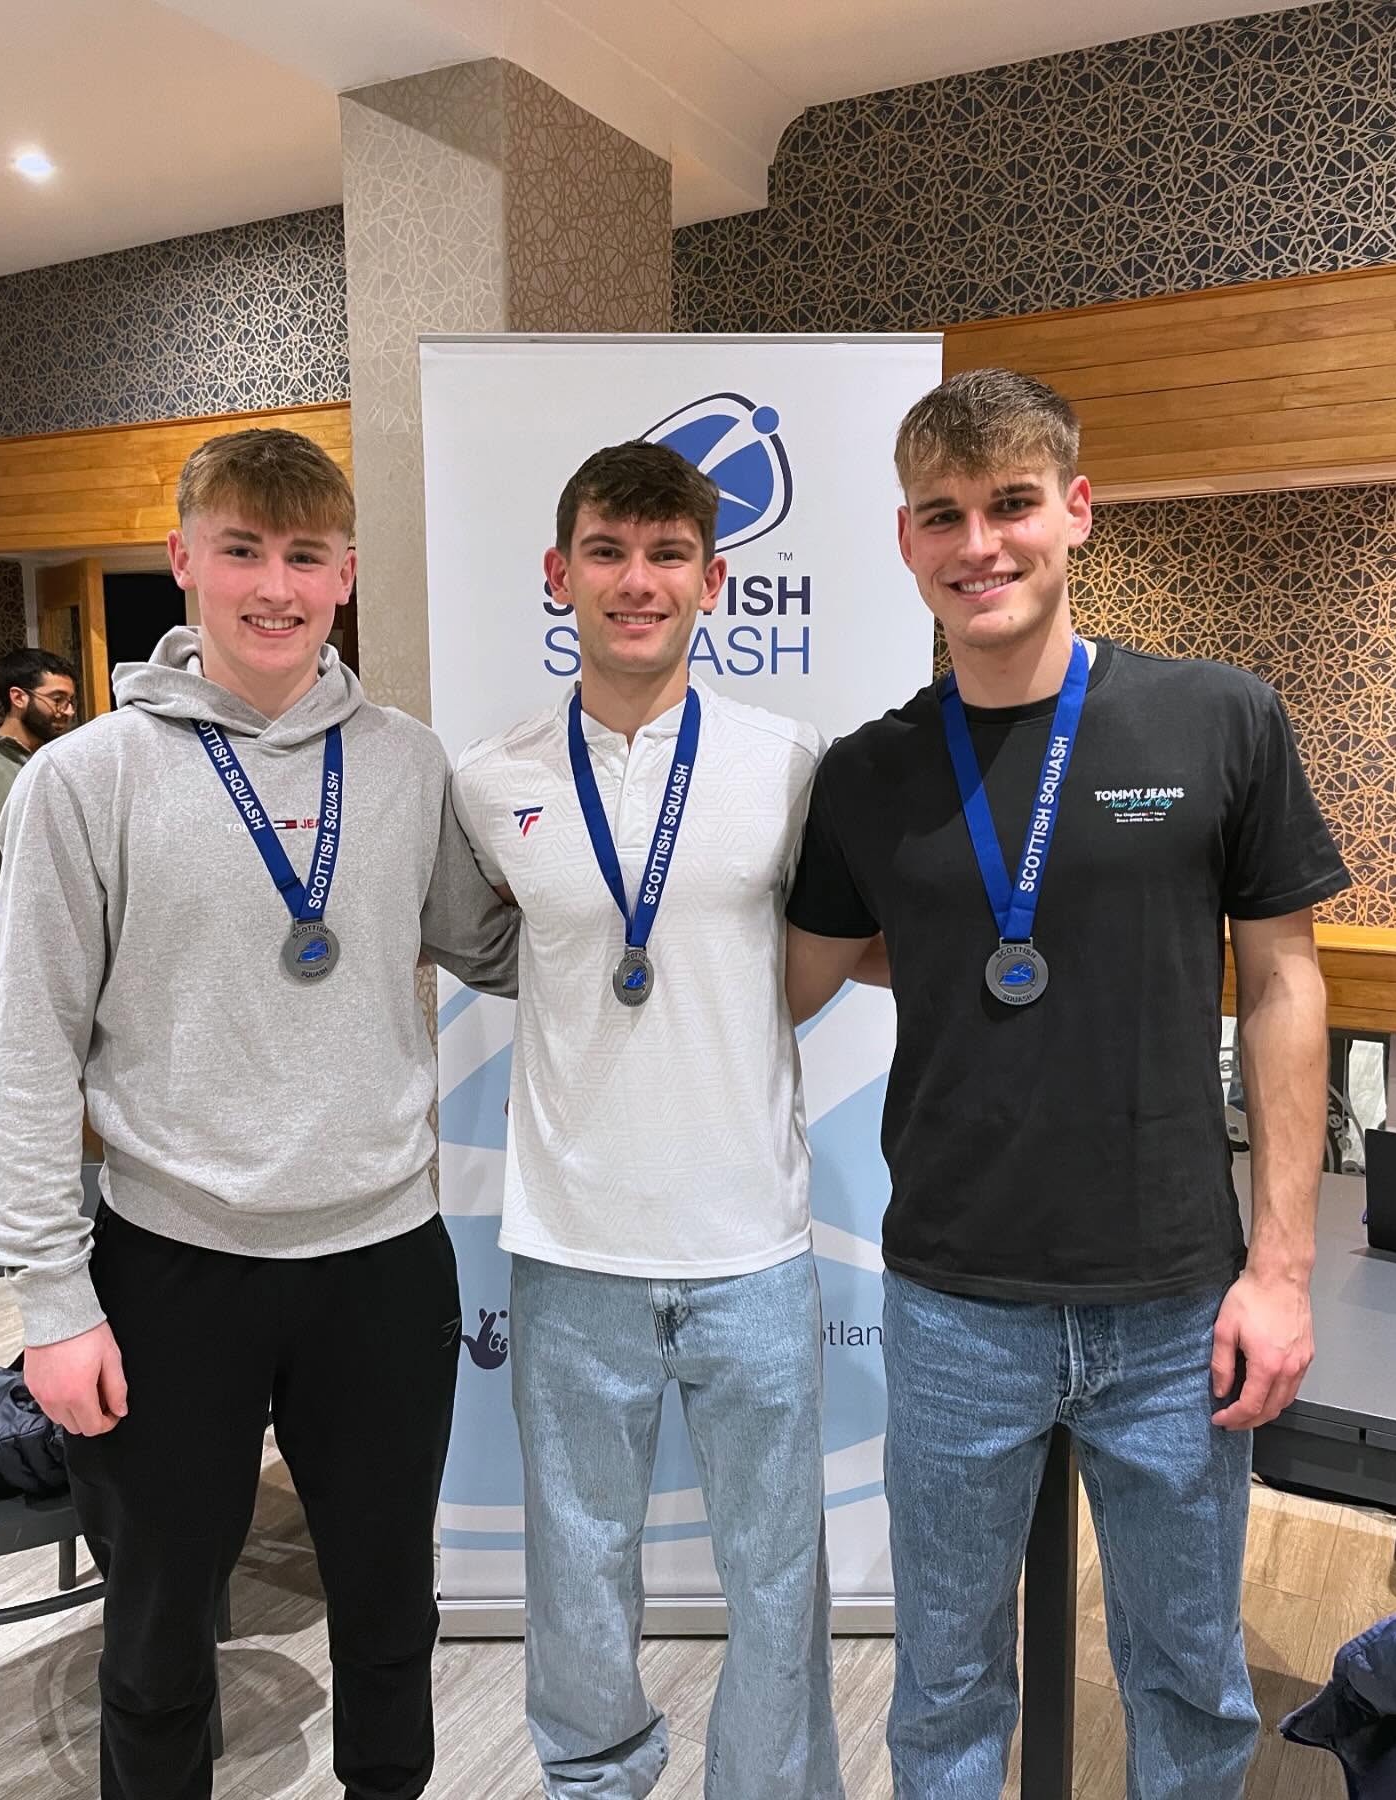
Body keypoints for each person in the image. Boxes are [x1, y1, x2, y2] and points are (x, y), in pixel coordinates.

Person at [783, 368, 1349, 1800]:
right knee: (947, 1680)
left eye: (1013, 504)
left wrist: (1280, 1271)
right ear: (905, 541)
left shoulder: (1217, 720)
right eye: (945, 515)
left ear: (1076, 511)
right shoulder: (869, 773)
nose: (982, 543)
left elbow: (1287, 983)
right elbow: (829, 958)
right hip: (956, 1298)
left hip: (1172, 1298)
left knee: (1187, 1680)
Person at [0, 427, 518, 1800]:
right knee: (159, 1632)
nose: (273, 586)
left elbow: (498, 948)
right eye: (240, 552)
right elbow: (30, 1045)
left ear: (344, 576)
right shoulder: (84, 780)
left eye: (303, 557)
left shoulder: (403, 764)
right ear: (182, 564)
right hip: (169, 1268)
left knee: (393, 1615)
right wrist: (49, 1292)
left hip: (382, 1261)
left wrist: (621, 858)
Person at [453, 441, 844, 1800]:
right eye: (608, 552)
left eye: (668, 553)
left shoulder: (788, 762)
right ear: (558, 574)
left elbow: (828, 952)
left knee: (781, 1570)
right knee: (576, 1567)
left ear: (714, 579)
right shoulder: (488, 776)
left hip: (753, 1243)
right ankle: (593, 1780)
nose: (638, 581)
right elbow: (491, 948)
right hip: (569, 1248)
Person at [0, 648, 76, 1014]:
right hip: (3, 949)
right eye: (57, 699)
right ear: (18, 697)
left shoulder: (66, 759)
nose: (68, 712)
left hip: (66, 945)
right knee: (21, 1064)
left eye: (71, 701)